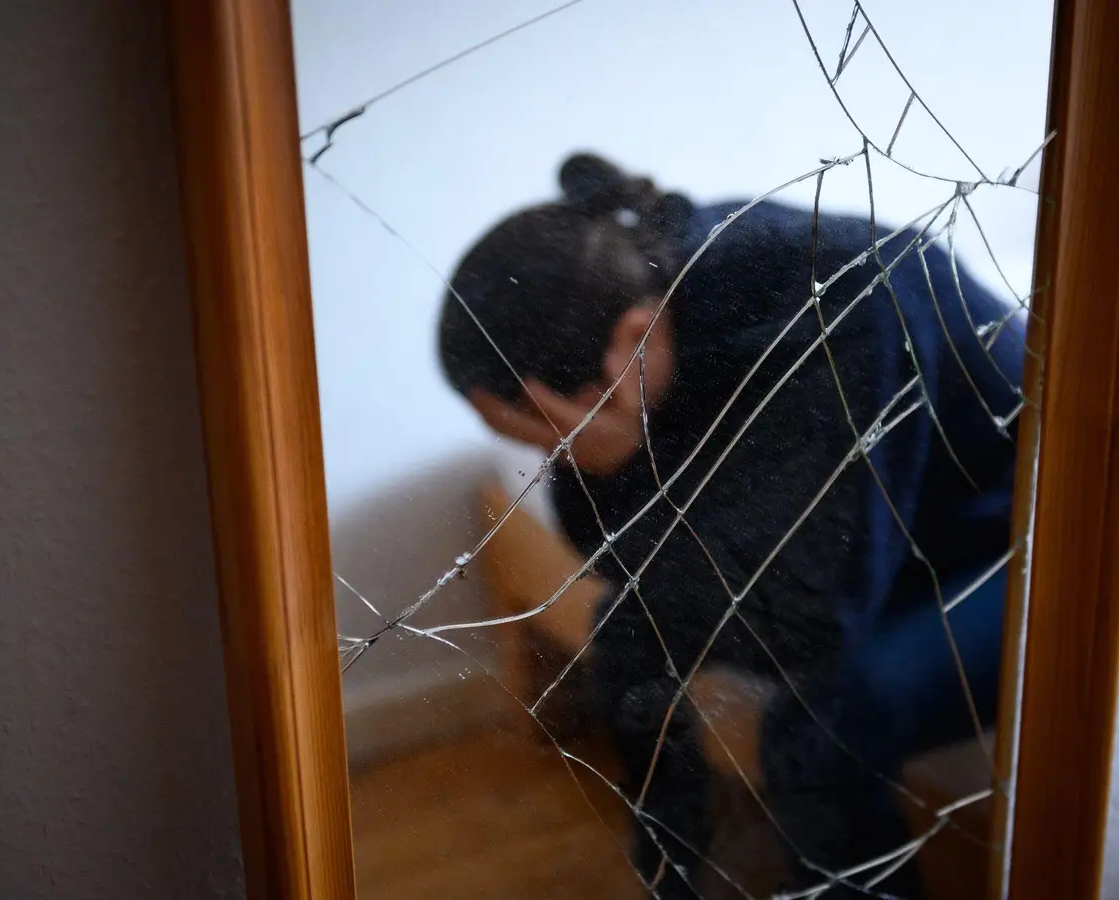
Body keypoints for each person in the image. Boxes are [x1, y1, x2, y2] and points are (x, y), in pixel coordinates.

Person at [437, 153, 1024, 898]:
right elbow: (619, 566)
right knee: (626, 636)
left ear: (632, 337)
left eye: (553, 437)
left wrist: (620, 463)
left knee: (820, 728)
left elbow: (809, 622)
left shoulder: (839, 298)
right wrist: (605, 462)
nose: (553, 458)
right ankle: (677, 875)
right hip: (891, 522)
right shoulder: (641, 297)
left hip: (1010, 528)